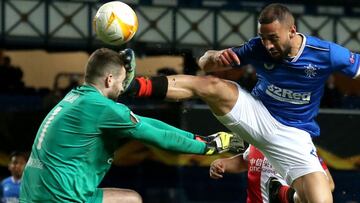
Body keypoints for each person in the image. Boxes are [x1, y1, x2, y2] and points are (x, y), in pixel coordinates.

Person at [124, 3, 360, 202]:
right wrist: (215, 57)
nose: (267, 45)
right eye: (263, 37)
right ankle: (134, 85)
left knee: (322, 196)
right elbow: (204, 63)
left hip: (293, 134)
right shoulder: (257, 48)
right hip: (256, 114)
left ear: (292, 31)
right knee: (212, 86)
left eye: (273, 38)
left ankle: (284, 195)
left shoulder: (325, 53)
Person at [19, 48, 244, 203]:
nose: (123, 88)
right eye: (121, 82)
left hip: (36, 193)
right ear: (108, 80)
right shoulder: (102, 109)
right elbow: (158, 137)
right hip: (60, 198)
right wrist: (208, 145)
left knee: (131, 199)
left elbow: (146, 123)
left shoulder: (77, 96)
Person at [209, 145, 335, 203]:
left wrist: (290, 196)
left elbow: (328, 184)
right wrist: (224, 164)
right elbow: (245, 161)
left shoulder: (298, 146)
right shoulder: (256, 141)